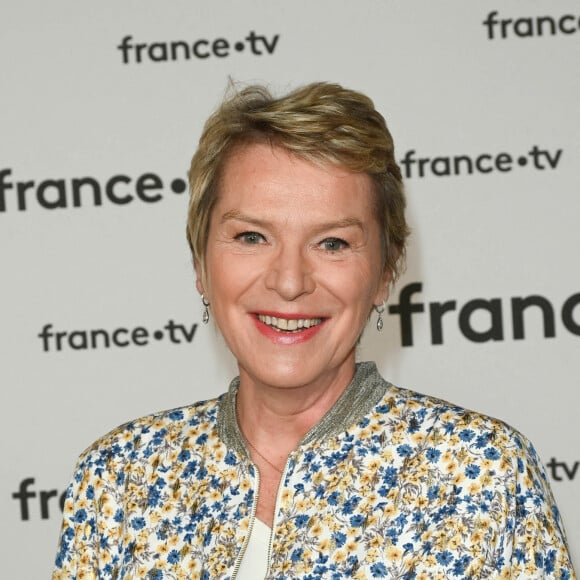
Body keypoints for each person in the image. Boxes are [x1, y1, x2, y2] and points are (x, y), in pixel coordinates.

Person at [53, 82, 575, 579]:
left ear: (386, 272)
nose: (288, 282)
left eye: (332, 243)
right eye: (252, 236)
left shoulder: (481, 471)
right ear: (200, 264)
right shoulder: (120, 477)